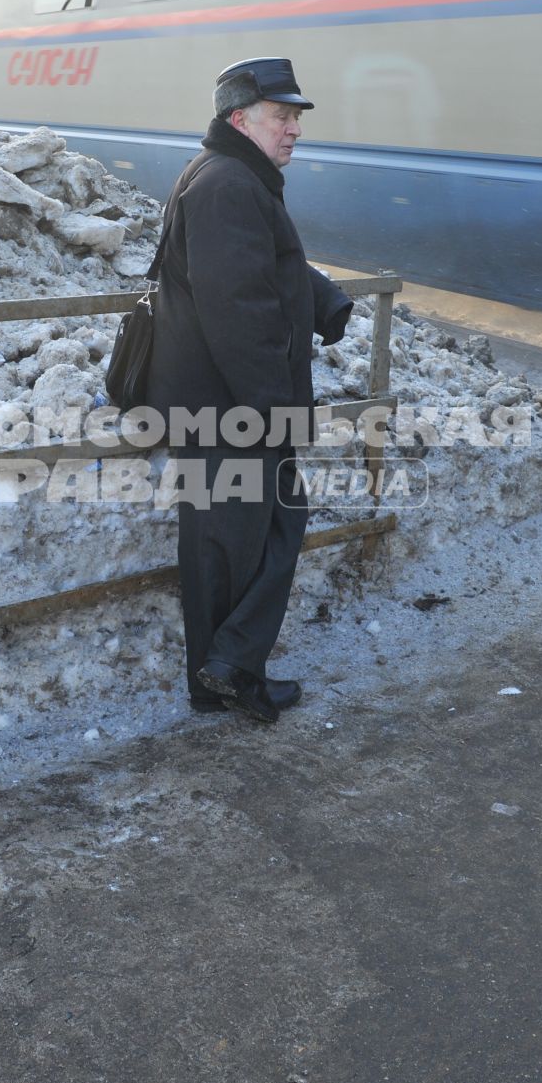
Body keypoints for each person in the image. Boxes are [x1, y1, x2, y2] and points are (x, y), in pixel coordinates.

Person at [145, 57, 354, 723]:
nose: (293, 129)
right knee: (267, 533)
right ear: (241, 119)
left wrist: (323, 301)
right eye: (281, 117)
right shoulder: (229, 185)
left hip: (215, 404)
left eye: (296, 118)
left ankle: (221, 677)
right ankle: (233, 664)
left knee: (223, 546)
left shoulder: (232, 176)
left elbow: (261, 263)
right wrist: (275, 410)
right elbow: (238, 309)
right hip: (235, 407)